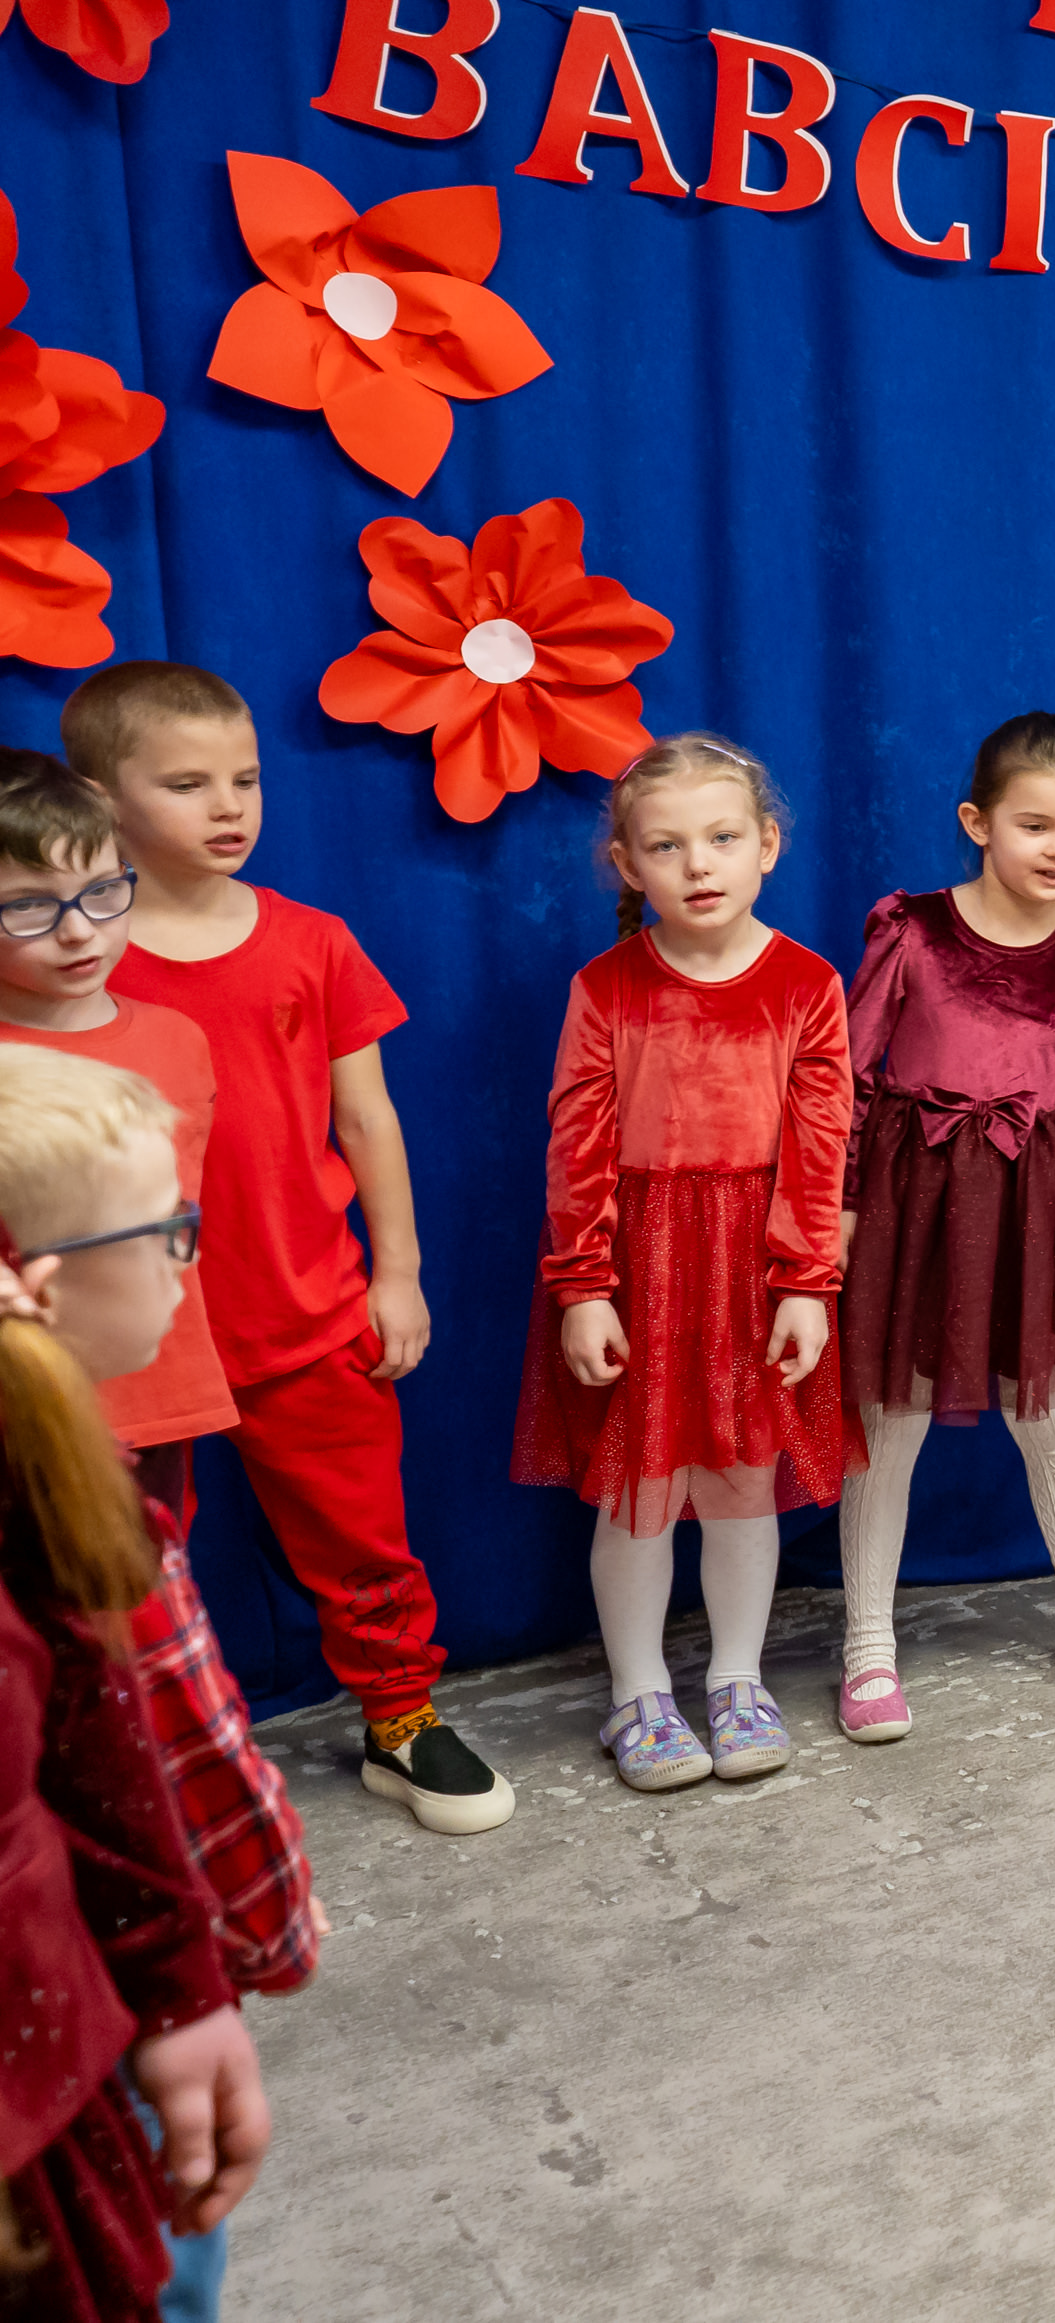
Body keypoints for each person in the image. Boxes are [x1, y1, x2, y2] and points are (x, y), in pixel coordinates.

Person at [61, 662, 505, 1835]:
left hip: (307, 1309)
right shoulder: (72, 960)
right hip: (134, 1338)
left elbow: (367, 1121)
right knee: (127, 1559)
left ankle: (399, 1718)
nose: (229, 807)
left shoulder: (313, 941)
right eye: (188, 783)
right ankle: (139, 1755)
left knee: (363, 1537)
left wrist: (397, 1273)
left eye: (246, 779)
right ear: (101, 799)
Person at [0, 1047, 315, 2323]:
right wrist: (247, 1941)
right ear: (45, 1284)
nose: (190, 1256)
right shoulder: (83, 1544)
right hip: (98, 2043)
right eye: (168, 1230)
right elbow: (175, 1776)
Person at [510, 736, 856, 1791]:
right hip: (643, 1267)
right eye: (666, 846)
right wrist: (584, 1288)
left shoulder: (807, 984)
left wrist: (806, 1284)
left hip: (754, 1267)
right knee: (642, 1487)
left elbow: (821, 1146)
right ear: (626, 863)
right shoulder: (606, 988)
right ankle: (638, 1691)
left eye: (722, 838)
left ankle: (738, 1678)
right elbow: (575, 1144)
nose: (699, 864)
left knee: (745, 1482)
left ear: (767, 845)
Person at [833, 714, 1055, 1739]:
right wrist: (839, 1210)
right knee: (892, 1420)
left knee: (1047, 1416)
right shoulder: (911, 930)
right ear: (978, 822)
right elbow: (846, 1080)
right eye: (1035, 825)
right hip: (911, 1208)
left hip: (1028, 1213)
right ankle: (867, 1646)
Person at [0, 756, 235, 1506]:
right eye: (27, 907)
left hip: (161, 1389)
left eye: (102, 893)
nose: (77, 931)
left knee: (155, 1566)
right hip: (28, 1407)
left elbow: (179, 1222)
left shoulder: (177, 1039)